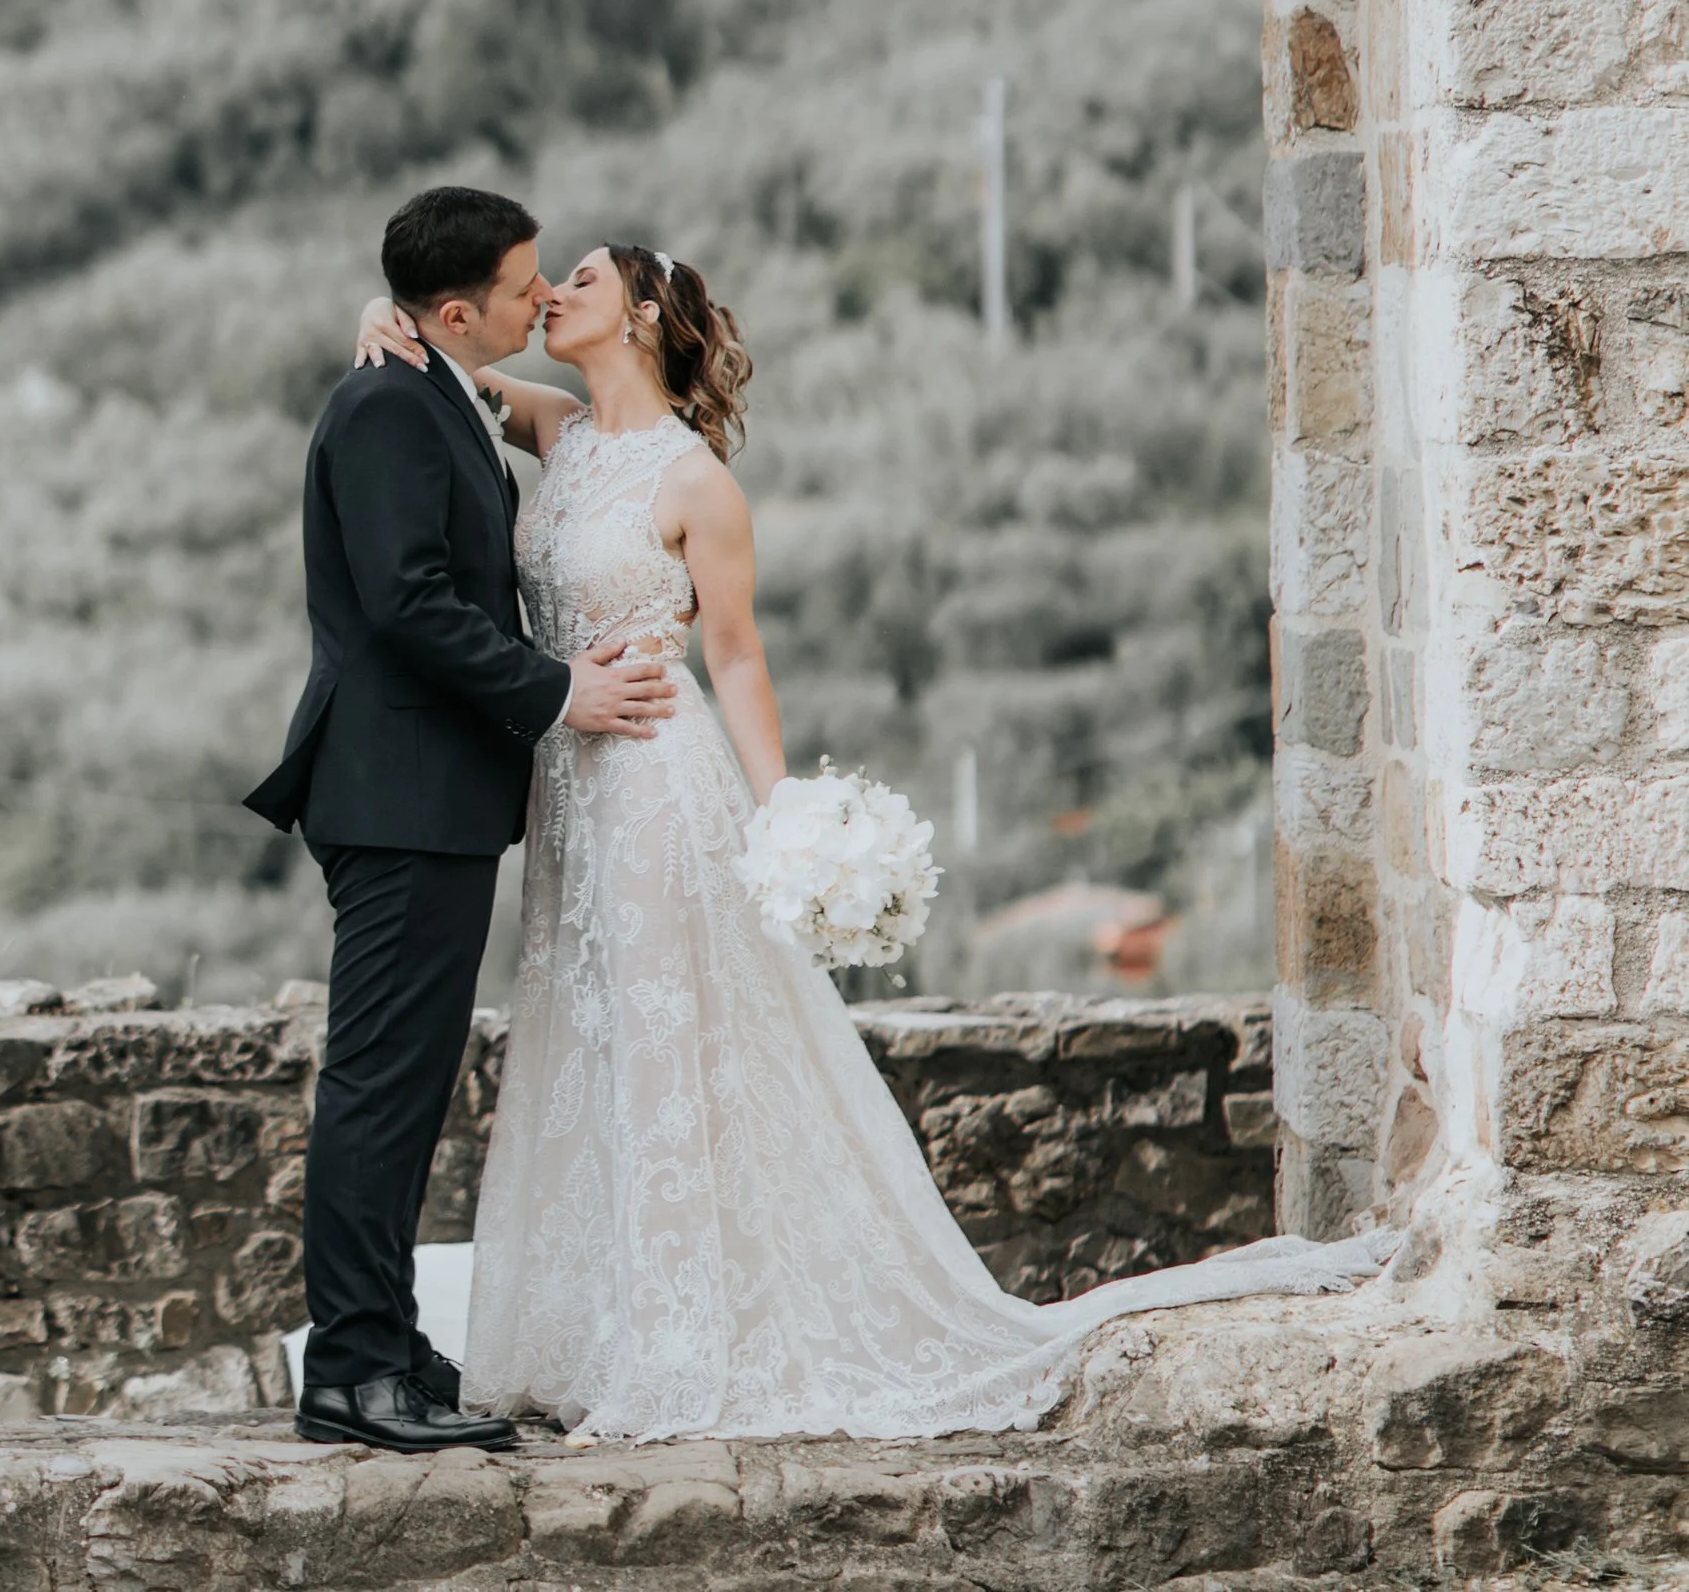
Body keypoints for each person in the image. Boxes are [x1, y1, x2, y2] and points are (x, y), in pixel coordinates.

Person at [353, 237, 1389, 1443]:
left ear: (637, 314)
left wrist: (780, 812)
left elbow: (735, 656)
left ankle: (679, 1344)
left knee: (654, 1037)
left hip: (651, 778)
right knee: (583, 1033)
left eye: (580, 278)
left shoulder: (692, 482)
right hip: (567, 786)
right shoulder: (560, 431)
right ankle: (597, 1331)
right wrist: (378, 309)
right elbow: (440, 356)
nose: (550, 295)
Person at [244, 185, 680, 1454]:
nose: (540, 298)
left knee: (406, 1083)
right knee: (380, 1086)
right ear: (452, 311)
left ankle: (386, 1344)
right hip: (399, 794)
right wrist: (558, 691)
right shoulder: (389, 404)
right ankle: (350, 1372)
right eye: (521, 284)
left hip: (429, 796)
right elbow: (406, 604)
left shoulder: (430, 382)